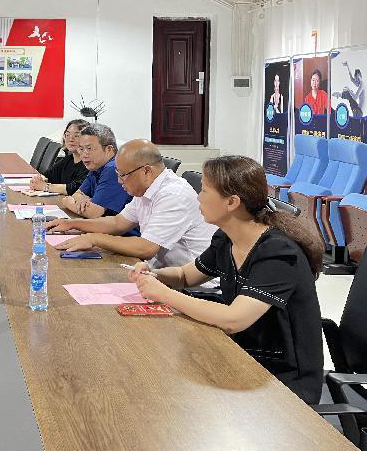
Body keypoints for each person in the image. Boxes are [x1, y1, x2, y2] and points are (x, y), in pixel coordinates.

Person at [129, 155, 324, 404]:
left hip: (283, 380)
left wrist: (164, 294)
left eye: (204, 191)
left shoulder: (278, 252)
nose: (198, 198)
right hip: (241, 355)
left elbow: (234, 319)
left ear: (232, 202)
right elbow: (185, 275)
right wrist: (154, 275)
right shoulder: (226, 239)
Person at [49, 140, 216, 273]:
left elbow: (146, 248)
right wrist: (72, 224)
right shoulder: (147, 188)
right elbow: (118, 223)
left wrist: (93, 238)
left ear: (146, 171)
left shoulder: (173, 195)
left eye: (123, 175)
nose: (119, 180)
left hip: (192, 288)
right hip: (161, 273)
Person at [60, 124, 138, 234]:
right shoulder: (96, 166)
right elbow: (77, 194)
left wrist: (68, 202)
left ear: (109, 149)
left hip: (124, 238)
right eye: (81, 149)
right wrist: (82, 199)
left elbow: (93, 213)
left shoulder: (113, 169)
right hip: (103, 230)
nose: (84, 155)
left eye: (89, 149)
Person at [29, 119, 88, 195]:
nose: (71, 139)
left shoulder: (89, 164)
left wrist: (45, 187)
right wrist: (39, 179)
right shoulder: (69, 159)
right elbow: (49, 175)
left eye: (76, 136)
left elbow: (75, 189)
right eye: (67, 135)